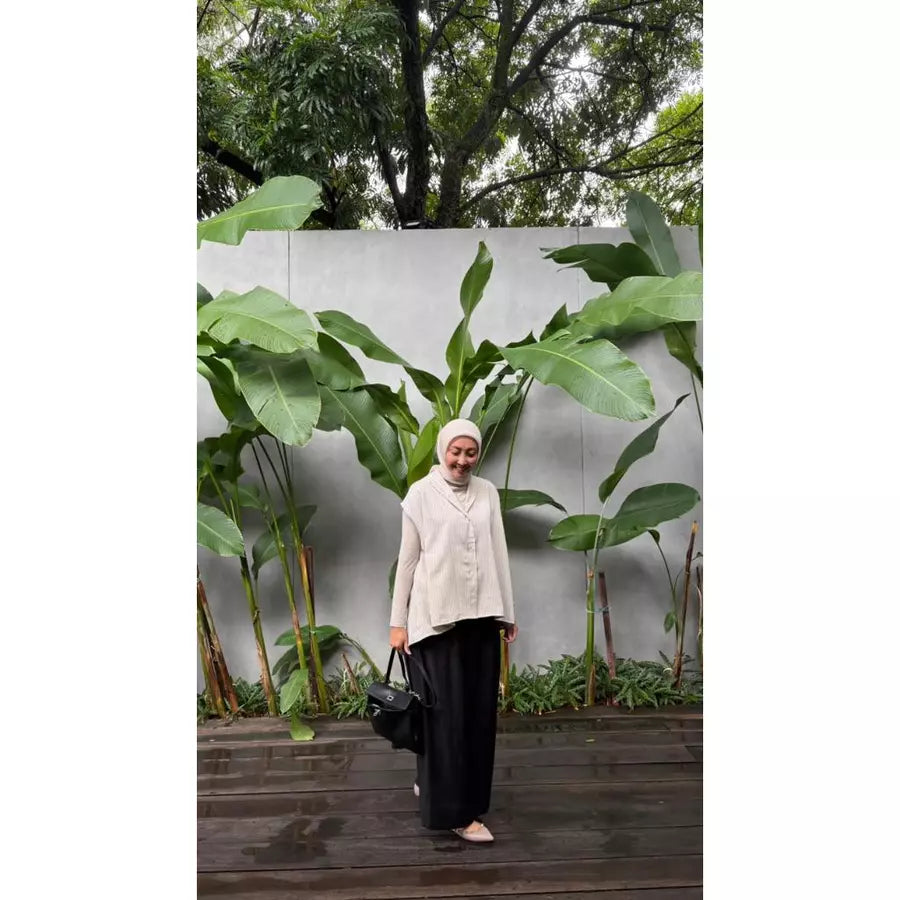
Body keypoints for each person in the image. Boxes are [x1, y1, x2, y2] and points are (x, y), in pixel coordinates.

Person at [389, 418, 518, 843]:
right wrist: (397, 623)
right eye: (455, 452)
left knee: (477, 719)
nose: (462, 461)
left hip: (481, 620)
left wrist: (508, 613)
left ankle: (445, 788)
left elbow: (498, 551)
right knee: (444, 719)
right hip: (435, 621)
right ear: (442, 449)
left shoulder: (487, 493)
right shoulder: (420, 495)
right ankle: (458, 814)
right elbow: (407, 563)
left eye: (470, 453)